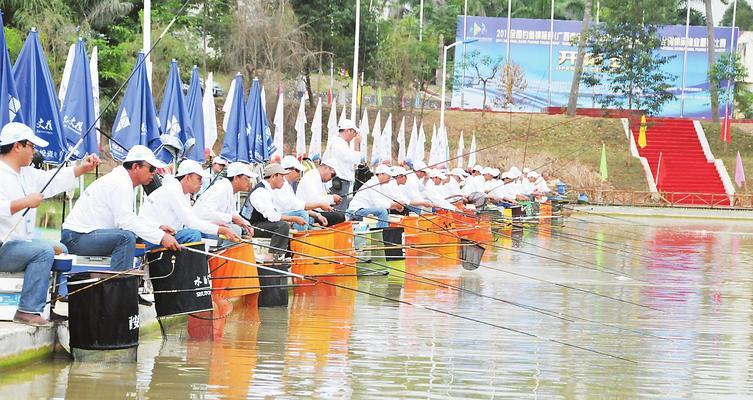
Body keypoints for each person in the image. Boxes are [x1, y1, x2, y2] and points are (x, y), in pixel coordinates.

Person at [0, 123, 99, 326]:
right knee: (43, 251)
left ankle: (49, 306)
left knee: (60, 248)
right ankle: (27, 310)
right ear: (17, 146)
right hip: (4, 247)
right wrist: (23, 203)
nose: (34, 151)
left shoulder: (25, 173)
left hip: (19, 245)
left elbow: (51, 180)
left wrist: (82, 168)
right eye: (31, 146)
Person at [62, 145, 179, 272]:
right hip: (76, 237)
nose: (154, 173)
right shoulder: (120, 183)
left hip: (84, 235)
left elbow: (127, 219)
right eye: (151, 168)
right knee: (126, 238)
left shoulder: (123, 180)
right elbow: (126, 222)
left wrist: (155, 228)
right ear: (135, 167)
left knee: (131, 237)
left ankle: (123, 281)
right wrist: (161, 237)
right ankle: (119, 287)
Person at [140, 160, 240, 244]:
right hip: (151, 235)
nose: (201, 183)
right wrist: (221, 230)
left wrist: (216, 225)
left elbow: (191, 219)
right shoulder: (173, 190)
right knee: (193, 235)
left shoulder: (183, 192)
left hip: (166, 232)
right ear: (187, 177)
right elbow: (191, 222)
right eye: (199, 179)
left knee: (199, 234)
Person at [244, 163, 308, 257]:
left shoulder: (267, 190)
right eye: (282, 176)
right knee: (282, 226)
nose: (284, 180)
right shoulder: (261, 192)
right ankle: (275, 256)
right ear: (273, 176)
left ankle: (285, 254)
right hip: (250, 227)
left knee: (284, 225)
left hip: (257, 224)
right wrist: (294, 218)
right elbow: (272, 216)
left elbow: (273, 214)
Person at [193, 161, 255, 237]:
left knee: (237, 229)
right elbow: (205, 213)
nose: (249, 182)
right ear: (236, 178)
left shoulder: (231, 190)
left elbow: (232, 212)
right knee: (235, 230)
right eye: (247, 178)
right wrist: (231, 218)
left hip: (210, 226)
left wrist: (246, 224)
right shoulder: (221, 189)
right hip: (201, 229)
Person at [272, 155, 326, 230]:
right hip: (280, 216)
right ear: (288, 170)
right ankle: (299, 237)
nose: (299, 174)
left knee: (313, 224)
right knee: (303, 214)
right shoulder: (281, 185)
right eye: (297, 171)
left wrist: (317, 214)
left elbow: (297, 205)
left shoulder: (287, 185)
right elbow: (296, 206)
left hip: (287, 215)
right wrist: (320, 205)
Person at [295, 158, 346, 226]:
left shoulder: (317, 178)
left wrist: (331, 204)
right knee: (339, 217)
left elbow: (320, 200)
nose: (332, 178)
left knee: (339, 215)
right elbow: (313, 201)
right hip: (307, 213)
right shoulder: (312, 177)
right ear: (326, 168)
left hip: (313, 211)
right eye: (333, 175)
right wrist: (332, 198)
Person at [327, 120, 362, 211]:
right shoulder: (339, 143)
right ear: (348, 130)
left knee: (340, 208)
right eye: (354, 133)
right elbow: (353, 159)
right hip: (340, 181)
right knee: (339, 210)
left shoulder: (339, 142)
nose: (354, 136)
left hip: (341, 181)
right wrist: (357, 145)